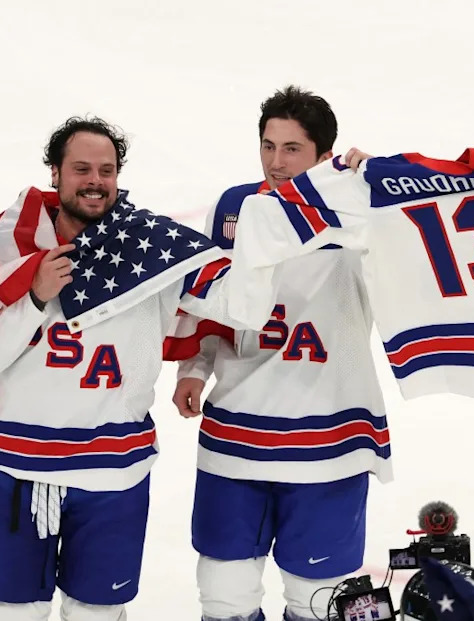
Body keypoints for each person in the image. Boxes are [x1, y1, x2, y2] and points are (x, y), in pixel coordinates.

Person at [0, 116, 292, 621]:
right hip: (18, 467)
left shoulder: (154, 249)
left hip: (112, 474)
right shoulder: (9, 244)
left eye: (106, 170)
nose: (95, 180)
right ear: (56, 173)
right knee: (11, 613)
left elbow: (243, 310)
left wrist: (270, 236)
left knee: (98, 614)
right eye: (81, 169)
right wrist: (32, 296)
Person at [171, 85, 386, 621]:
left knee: (319, 600)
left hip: (330, 434)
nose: (276, 161)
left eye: (292, 148)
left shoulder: (363, 214)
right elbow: (208, 298)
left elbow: (433, 229)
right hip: (237, 429)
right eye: (269, 145)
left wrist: (373, 188)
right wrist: (194, 367)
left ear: (323, 156)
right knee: (224, 591)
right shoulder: (233, 208)